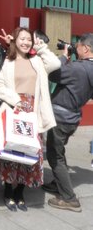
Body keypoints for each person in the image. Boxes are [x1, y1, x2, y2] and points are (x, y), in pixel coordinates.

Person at [0, 28, 59, 211]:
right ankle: (8, 190)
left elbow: (55, 63)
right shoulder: (8, 61)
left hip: (33, 112)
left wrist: (41, 47)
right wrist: (15, 100)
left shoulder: (37, 61)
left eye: (29, 39)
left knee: (29, 152)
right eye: (22, 39)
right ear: (15, 40)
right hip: (14, 109)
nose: (26, 42)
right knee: (12, 151)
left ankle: (20, 191)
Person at [43, 33, 93, 212]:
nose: (75, 48)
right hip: (73, 117)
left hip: (61, 118)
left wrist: (64, 57)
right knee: (59, 151)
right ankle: (58, 183)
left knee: (54, 156)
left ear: (86, 48)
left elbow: (53, 74)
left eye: (77, 45)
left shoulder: (78, 68)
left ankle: (69, 198)